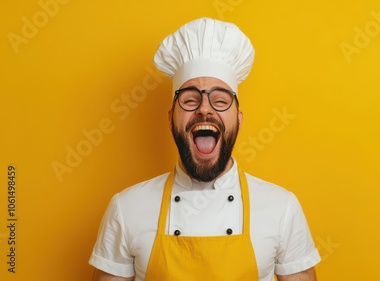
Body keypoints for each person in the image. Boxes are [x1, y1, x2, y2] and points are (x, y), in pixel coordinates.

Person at [89, 17, 320, 281]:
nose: (205, 109)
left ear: (239, 121)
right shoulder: (126, 208)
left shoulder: (282, 208)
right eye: (189, 99)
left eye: (220, 100)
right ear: (170, 118)